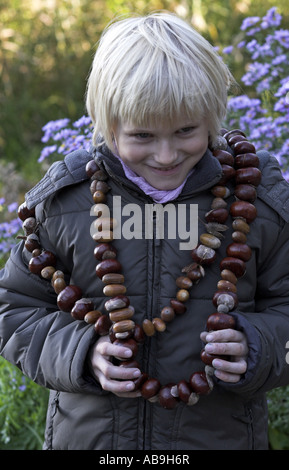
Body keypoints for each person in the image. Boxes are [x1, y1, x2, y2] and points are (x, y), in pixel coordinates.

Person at [1, 12, 289, 451]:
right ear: (106, 123)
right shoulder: (66, 204)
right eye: (142, 136)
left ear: (213, 114)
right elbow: (14, 311)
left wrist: (259, 346)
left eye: (186, 131)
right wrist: (83, 355)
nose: (167, 154)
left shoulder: (256, 202)